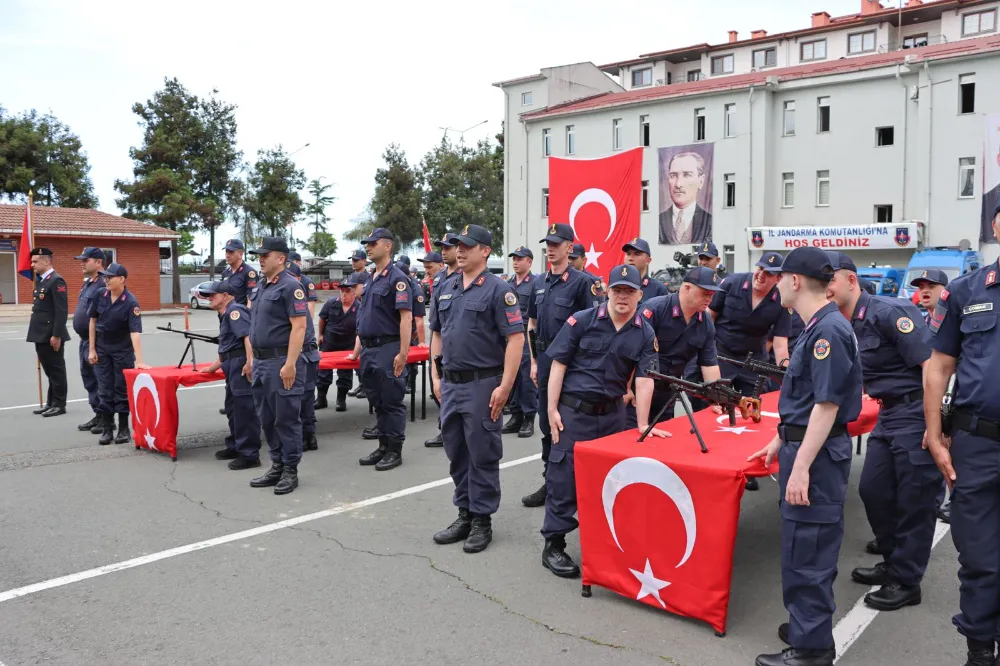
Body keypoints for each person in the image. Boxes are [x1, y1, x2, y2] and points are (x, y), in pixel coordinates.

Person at [748, 246, 862, 666]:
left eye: (780, 277)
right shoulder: (818, 326)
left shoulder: (827, 332)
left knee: (809, 554)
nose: (775, 284)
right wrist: (780, 442)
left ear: (794, 281)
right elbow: (805, 400)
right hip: (804, 447)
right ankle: (806, 626)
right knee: (802, 549)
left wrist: (799, 467)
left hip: (815, 457)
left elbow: (826, 406)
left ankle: (812, 650)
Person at [825, 251, 937, 613]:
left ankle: (907, 581)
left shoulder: (888, 312)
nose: (825, 287)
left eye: (831, 280)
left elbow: (931, 366)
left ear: (851, 281)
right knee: (874, 490)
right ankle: (893, 561)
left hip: (916, 411)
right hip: (888, 413)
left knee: (914, 501)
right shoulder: (845, 322)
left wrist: (936, 425)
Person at [541, 264, 663, 577]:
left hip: (612, 417)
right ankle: (554, 543)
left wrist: (643, 423)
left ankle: (604, 545)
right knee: (564, 478)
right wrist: (552, 409)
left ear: (640, 295)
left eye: (630, 291)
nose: (623, 296)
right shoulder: (582, 321)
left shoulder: (644, 331)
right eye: (617, 289)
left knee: (610, 482)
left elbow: (646, 379)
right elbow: (559, 364)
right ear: (607, 291)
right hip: (573, 414)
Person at [923, 228, 1000, 666]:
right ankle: (979, 651)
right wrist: (934, 432)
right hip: (978, 444)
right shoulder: (966, 292)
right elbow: (939, 367)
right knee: (978, 554)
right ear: (995, 226)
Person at [430, 224, 525, 553]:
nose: (459, 250)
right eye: (457, 245)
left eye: (467, 246)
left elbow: (515, 339)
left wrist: (505, 386)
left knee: (482, 453)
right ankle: (465, 512)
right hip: (451, 384)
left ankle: (482, 519)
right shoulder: (445, 286)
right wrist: (435, 375)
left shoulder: (499, 290)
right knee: (456, 452)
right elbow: (437, 333)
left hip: (483, 383)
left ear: (485, 251)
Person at [524, 223, 600, 509]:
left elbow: (594, 326)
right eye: (548, 244)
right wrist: (533, 361)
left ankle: (578, 482)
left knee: (569, 423)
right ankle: (551, 480)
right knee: (546, 423)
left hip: (572, 365)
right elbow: (532, 323)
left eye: (557, 244)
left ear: (570, 247)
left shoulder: (582, 282)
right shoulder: (539, 282)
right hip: (544, 362)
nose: (551, 249)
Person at [711, 251, 792, 490]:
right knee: (719, 411)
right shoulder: (732, 283)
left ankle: (748, 468)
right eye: (760, 269)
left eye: (768, 274)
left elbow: (780, 343)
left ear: (777, 279)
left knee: (752, 413)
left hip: (753, 361)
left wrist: (786, 373)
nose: (761, 275)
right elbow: (709, 317)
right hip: (722, 355)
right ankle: (718, 464)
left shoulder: (780, 301)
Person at [246, 237, 309, 495]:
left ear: (281, 258)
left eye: (266, 255)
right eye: (259, 255)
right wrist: (251, 360)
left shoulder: (290, 287)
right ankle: (276, 464)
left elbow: (300, 326)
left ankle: (290, 469)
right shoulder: (262, 286)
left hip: (281, 361)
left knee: (286, 418)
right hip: (261, 362)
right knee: (267, 418)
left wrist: (291, 363)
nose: (261, 259)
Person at [348, 228, 413, 471]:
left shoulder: (397, 278)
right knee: (378, 401)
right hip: (369, 350)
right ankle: (383, 445)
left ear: (387, 246)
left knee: (392, 401)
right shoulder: (370, 278)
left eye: (373, 243)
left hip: (388, 347)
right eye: (367, 243)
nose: (368, 247)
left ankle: (395, 450)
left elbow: (405, 318)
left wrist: (403, 353)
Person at [633, 266, 722, 427]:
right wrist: (627, 390)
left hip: (668, 392)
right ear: (687, 288)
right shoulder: (655, 309)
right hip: (638, 390)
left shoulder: (706, 322)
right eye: (705, 292)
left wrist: (718, 400)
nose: (710, 298)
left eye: (712, 293)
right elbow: (629, 353)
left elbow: (709, 364)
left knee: (662, 439)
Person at [198, 280, 261, 470]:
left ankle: (249, 454)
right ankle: (235, 445)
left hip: (240, 365)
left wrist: (250, 363)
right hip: (230, 364)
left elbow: (247, 338)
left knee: (244, 411)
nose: (209, 299)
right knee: (233, 408)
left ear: (225, 296)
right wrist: (213, 367)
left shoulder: (235, 312)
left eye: (213, 295)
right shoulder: (225, 314)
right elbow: (228, 347)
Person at [87, 263, 150, 445]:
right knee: (104, 389)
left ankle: (123, 429)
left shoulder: (131, 302)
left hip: (122, 351)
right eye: (105, 277)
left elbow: (135, 332)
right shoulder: (101, 294)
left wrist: (139, 360)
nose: (105, 280)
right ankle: (108, 429)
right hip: (102, 349)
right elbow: (92, 321)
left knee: (121, 389)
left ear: (121, 279)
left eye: (110, 277)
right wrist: (92, 348)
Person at [910, 268, 952, 524]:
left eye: (931, 286)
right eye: (920, 286)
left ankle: (955, 503)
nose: (924, 291)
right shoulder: (921, 322)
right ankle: (937, 501)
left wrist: (941, 417)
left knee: (953, 453)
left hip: (949, 402)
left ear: (945, 291)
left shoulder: (952, 323)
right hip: (924, 400)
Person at [423, 232, 461, 448]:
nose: (444, 252)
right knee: (438, 385)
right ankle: (444, 427)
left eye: (448, 247)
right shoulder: (439, 278)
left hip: (458, 339)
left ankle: (453, 430)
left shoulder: (463, 276)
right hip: (440, 336)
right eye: (443, 248)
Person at [27, 247, 70, 418]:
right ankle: (51, 403)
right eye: (32, 261)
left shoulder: (56, 281)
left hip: (51, 334)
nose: (32, 265)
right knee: (50, 371)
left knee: (56, 370)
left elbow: (61, 311)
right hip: (41, 333)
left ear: (46, 261)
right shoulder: (43, 281)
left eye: (35, 261)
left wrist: (57, 334)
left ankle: (59, 404)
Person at [285, 260, 322, 452]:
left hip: (305, 355)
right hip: (304, 355)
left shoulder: (296, 301)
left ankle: (308, 437)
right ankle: (307, 436)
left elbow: (302, 333)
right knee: (301, 399)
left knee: (303, 399)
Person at [501, 246, 538, 439]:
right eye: (514, 259)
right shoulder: (508, 284)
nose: (515, 262)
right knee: (512, 377)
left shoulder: (535, 283)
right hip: (508, 336)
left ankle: (529, 418)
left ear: (529, 262)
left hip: (525, 336)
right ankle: (515, 415)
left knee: (526, 378)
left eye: (520, 259)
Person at [315, 272, 363, 412]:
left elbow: (361, 328)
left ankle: (340, 400)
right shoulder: (331, 303)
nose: (344, 295)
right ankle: (321, 398)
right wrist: (320, 335)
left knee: (345, 374)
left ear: (354, 293)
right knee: (323, 372)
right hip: (330, 342)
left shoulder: (359, 306)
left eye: (347, 292)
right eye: (342, 291)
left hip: (348, 344)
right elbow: (322, 319)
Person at [72, 247, 107, 433]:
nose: (82, 263)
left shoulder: (103, 283)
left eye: (86, 260)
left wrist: (94, 345)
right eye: (82, 260)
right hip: (84, 340)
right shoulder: (89, 283)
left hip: (97, 341)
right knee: (89, 380)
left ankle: (106, 418)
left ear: (99, 262)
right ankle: (98, 413)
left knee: (100, 379)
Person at [658, 152, 713, 245]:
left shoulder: (709, 222)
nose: (678, 184)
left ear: (701, 181)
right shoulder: (659, 220)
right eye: (673, 176)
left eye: (687, 175)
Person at [347, 248, 371, 400]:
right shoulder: (352, 277)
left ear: (364, 261)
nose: (353, 263)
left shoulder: (369, 278)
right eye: (352, 260)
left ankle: (367, 385)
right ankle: (362, 383)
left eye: (356, 260)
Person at [623, 237, 668, 304]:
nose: (630, 258)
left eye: (637, 254)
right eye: (628, 254)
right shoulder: (617, 286)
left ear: (648, 260)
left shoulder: (658, 289)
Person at [220, 239, 258, 306]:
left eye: (231, 252)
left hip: (241, 314)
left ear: (240, 254)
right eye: (226, 252)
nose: (227, 255)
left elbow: (251, 300)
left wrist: (246, 315)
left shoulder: (249, 273)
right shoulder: (225, 273)